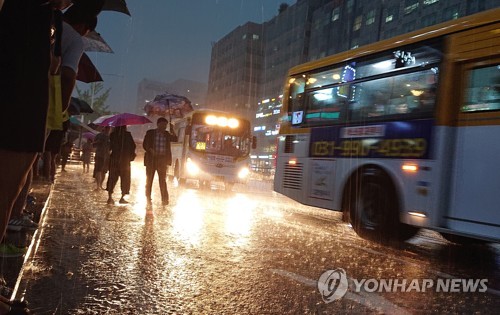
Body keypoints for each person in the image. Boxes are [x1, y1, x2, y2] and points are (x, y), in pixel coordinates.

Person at [143, 118, 178, 205]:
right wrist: (151, 150)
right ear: (158, 124)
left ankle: (165, 199)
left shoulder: (167, 134)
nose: (164, 126)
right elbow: (145, 144)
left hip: (162, 160)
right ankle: (148, 197)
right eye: (162, 124)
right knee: (149, 180)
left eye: (165, 125)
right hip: (151, 160)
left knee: (162, 180)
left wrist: (172, 130)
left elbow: (175, 139)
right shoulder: (150, 133)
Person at [106, 126, 136, 205]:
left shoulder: (113, 135)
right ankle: (121, 197)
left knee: (112, 178)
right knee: (124, 179)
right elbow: (133, 146)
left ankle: (110, 197)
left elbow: (109, 147)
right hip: (124, 161)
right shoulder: (127, 135)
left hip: (115, 159)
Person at [93, 126, 111, 190]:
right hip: (99, 155)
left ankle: (100, 185)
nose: (108, 130)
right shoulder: (99, 136)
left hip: (106, 156)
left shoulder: (110, 137)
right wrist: (98, 142)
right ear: (104, 129)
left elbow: (112, 147)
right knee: (98, 170)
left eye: (109, 128)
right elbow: (94, 145)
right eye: (107, 128)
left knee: (104, 171)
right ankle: (98, 185)